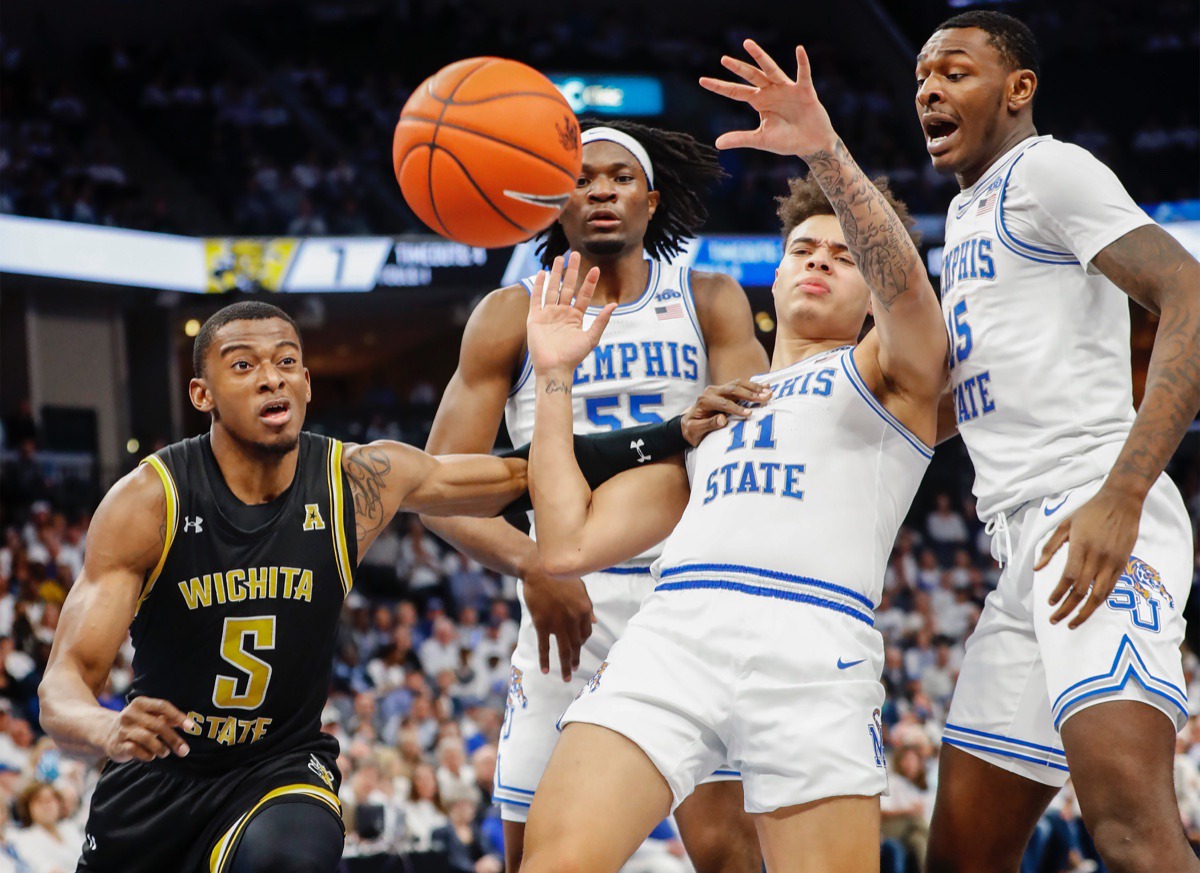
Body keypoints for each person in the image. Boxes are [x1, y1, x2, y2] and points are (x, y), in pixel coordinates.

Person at [38, 301, 706, 873]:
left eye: (286, 361)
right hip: (160, 779)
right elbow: (62, 683)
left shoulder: (357, 480)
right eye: (243, 365)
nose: (271, 377)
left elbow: (515, 475)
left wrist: (672, 434)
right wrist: (104, 725)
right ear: (202, 394)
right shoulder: (147, 502)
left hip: (278, 769)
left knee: (291, 856)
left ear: (306, 380)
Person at [520, 39, 947, 871]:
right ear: (775, 277)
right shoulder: (712, 417)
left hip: (811, 643)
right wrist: (552, 377)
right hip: (674, 629)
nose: (820, 262)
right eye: (803, 251)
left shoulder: (885, 377)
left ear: (870, 292)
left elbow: (911, 303)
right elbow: (565, 541)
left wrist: (824, 150)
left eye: (843, 257)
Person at [422, 119, 768, 871]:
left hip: (688, 600)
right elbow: (437, 486)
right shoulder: (508, 315)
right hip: (565, 611)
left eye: (618, 177)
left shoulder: (708, 299)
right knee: (534, 857)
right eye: (582, 179)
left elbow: (753, 450)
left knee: (728, 849)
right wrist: (537, 565)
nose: (601, 189)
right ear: (554, 202)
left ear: (650, 199)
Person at [910, 11, 1200, 872]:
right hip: (1022, 550)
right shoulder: (967, 215)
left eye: (955, 71)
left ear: (1018, 88)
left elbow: (1189, 292)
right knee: (960, 856)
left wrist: (1121, 494)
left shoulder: (1049, 169)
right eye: (921, 75)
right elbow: (965, 401)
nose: (928, 87)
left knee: (1130, 833)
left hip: (1093, 511)